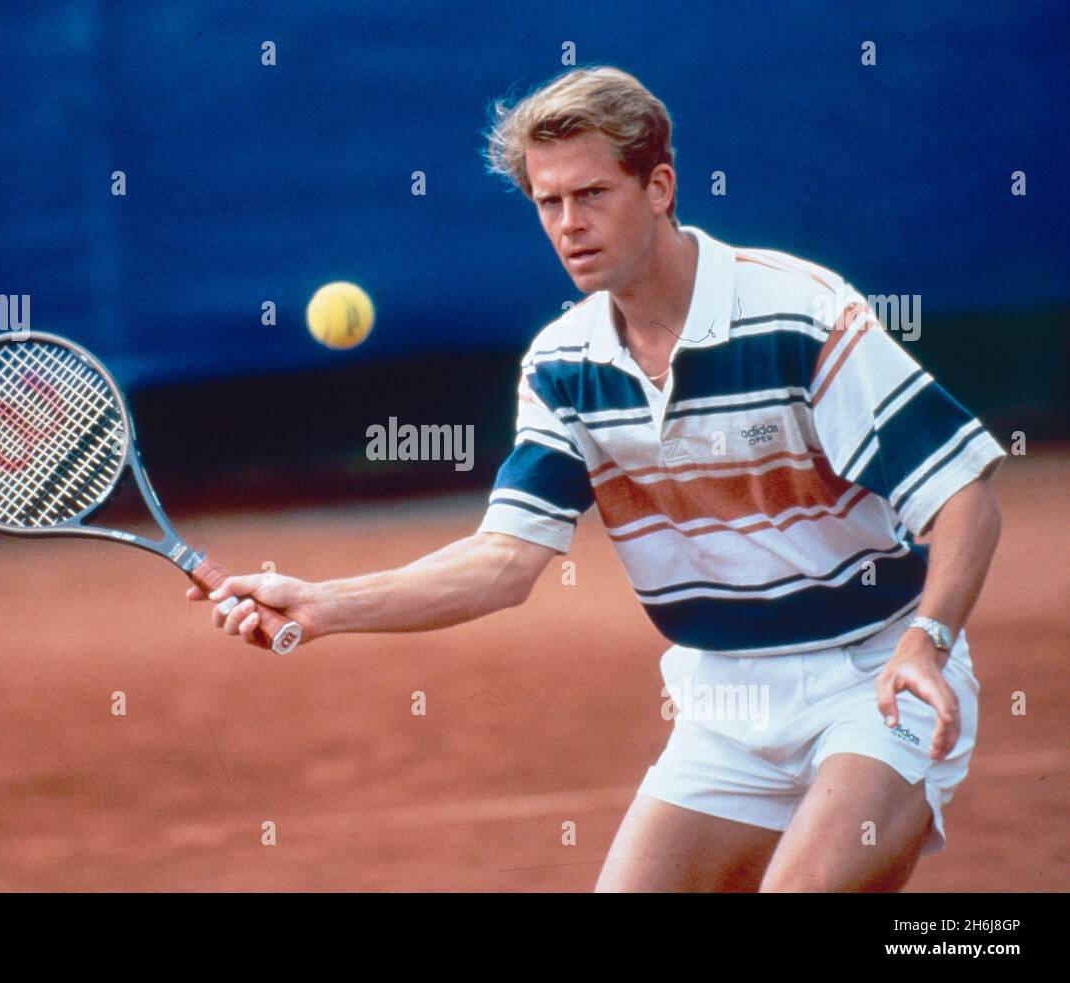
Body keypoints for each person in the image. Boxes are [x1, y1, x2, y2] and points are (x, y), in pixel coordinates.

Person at [189, 66, 1005, 892]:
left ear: (659, 186)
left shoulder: (800, 311)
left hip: (875, 682)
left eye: (592, 195)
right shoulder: (561, 366)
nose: (569, 225)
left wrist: (926, 639)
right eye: (548, 204)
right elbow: (504, 562)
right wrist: (324, 604)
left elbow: (965, 494)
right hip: (722, 704)